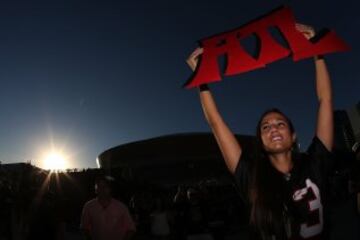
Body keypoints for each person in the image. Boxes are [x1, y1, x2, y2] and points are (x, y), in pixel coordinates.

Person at [186, 24, 334, 240]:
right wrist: (201, 78)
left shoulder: (314, 163)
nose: (273, 127)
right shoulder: (252, 176)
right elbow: (216, 122)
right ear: (260, 140)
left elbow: (325, 100)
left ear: (293, 136)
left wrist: (315, 51)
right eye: (266, 126)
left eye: (280, 124)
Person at [80, 176, 136, 240]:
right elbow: (84, 227)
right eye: (99, 187)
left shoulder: (121, 207)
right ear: (95, 190)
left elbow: (131, 229)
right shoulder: (88, 206)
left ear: (110, 189)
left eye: (105, 187)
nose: (102, 189)